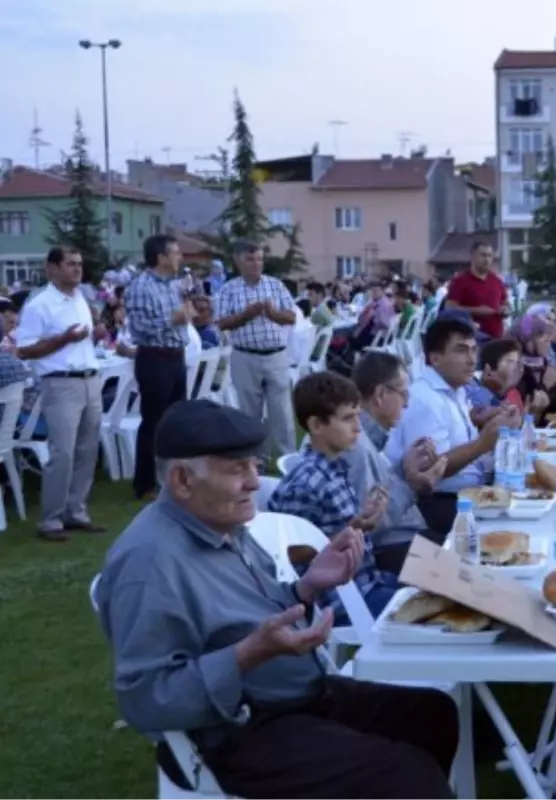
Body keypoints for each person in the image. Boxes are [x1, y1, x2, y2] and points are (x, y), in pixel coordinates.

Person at [95, 399, 458, 799]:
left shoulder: (221, 523)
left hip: (299, 697)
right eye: (237, 470)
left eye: (255, 464)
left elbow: (254, 614)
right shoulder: (148, 564)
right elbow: (147, 698)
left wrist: (307, 588)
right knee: (408, 777)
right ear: (182, 480)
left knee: (433, 715)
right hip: (239, 730)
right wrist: (247, 654)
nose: (255, 481)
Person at [268, 372, 397, 624]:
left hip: (368, 582)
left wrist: (363, 520)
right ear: (316, 426)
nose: (358, 427)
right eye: (348, 418)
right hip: (343, 601)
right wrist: (356, 527)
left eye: (357, 416)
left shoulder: (333, 467)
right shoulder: (306, 482)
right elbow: (288, 554)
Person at [387, 317, 518, 535]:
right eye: (461, 351)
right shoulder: (425, 399)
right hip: (439, 505)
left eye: (474, 350)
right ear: (435, 358)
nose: (471, 360)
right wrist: (483, 443)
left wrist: (485, 422)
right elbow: (431, 471)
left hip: (469, 494)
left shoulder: (455, 389)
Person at [14, 247, 107, 541]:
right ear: (52, 268)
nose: (77, 269)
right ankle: (51, 520)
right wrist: (64, 339)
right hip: (61, 382)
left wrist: (96, 335)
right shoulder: (40, 305)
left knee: (87, 449)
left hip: (89, 379)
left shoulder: (80, 298)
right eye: (70, 264)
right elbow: (25, 349)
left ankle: (76, 511)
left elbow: (83, 339)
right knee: (63, 452)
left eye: (79, 264)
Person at [348, 351, 447, 573]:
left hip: (405, 540)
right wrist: (412, 486)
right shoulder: (356, 443)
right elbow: (371, 525)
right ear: (381, 394)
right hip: (391, 551)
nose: (407, 403)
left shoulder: (367, 438)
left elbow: (377, 486)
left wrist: (404, 469)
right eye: (404, 394)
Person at [216, 240, 299, 464]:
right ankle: (257, 459)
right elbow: (222, 323)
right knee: (249, 412)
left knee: (281, 410)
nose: (256, 264)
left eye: (260, 259)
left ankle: (288, 458)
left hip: (275, 355)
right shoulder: (229, 289)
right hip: (245, 355)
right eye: (250, 259)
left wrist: (273, 314)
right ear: (238, 261)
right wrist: (247, 315)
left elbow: (291, 317)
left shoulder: (275, 285)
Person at [124, 234, 193, 500]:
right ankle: (145, 483)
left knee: (175, 421)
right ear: (161, 257)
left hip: (176, 356)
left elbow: (182, 318)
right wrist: (173, 318)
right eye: (175, 253)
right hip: (155, 358)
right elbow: (140, 329)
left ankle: (173, 476)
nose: (180, 258)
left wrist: (189, 313)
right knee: (153, 421)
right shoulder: (141, 287)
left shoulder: (173, 285)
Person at [444, 241, 508, 339]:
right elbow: (449, 308)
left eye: (489, 256)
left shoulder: (496, 280)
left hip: (496, 339)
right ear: (472, 256)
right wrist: (477, 311)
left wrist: (505, 310)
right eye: (483, 255)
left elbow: (505, 302)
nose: (487, 259)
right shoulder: (460, 281)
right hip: (472, 339)